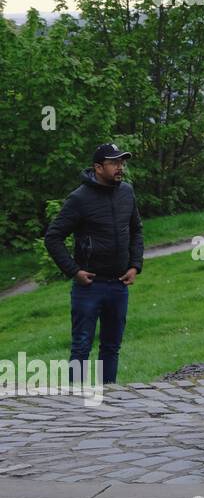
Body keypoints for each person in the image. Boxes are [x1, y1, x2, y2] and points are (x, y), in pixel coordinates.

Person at [43, 143, 143, 384]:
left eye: (122, 162)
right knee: (81, 347)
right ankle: (75, 403)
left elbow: (136, 230)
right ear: (98, 167)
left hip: (119, 285)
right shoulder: (79, 198)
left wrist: (134, 265)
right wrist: (74, 271)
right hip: (89, 287)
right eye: (114, 163)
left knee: (111, 347)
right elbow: (53, 237)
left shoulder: (127, 192)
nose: (120, 167)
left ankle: (107, 399)